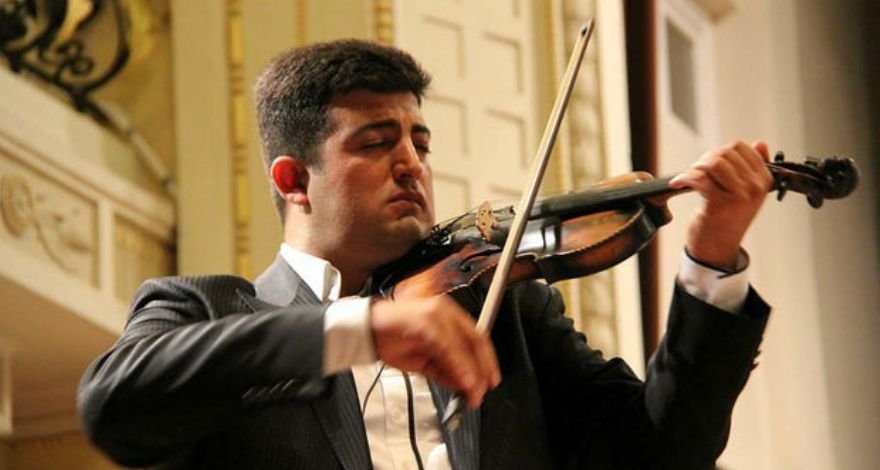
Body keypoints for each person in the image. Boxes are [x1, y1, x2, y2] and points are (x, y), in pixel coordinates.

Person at [78, 39, 772, 470]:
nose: (412, 163)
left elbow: (661, 452)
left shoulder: (505, 313)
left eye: (421, 142)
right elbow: (115, 404)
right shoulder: (209, 310)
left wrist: (711, 256)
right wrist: (360, 329)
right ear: (293, 181)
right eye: (377, 142)